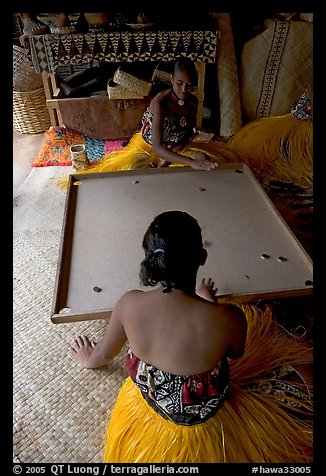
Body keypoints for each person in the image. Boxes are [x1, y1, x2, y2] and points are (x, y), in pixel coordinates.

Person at [70, 210, 312, 463]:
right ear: (202, 258)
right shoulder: (228, 317)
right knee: (305, 371)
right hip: (207, 418)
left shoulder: (128, 303)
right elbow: (236, 354)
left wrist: (88, 359)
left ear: (150, 259)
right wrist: (208, 300)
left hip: (153, 405)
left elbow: (104, 354)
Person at [60, 58, 240, 184]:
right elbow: (157, 148)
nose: (185, 89)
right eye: (179, 83)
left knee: (207, 161)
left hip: (176, 145)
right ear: (171, 80)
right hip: (152, 144)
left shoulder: (192, 101)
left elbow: (187, 132)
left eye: (189, 84)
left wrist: (182, 155)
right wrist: (189, 162)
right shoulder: (160, 103)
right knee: (137, 174)